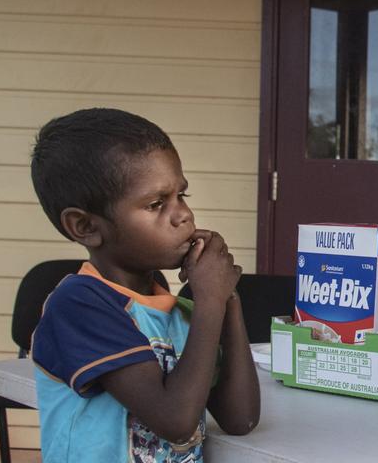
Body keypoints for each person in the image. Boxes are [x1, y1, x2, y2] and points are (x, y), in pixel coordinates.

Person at [29, 108, 260, 461]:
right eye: (156, 204)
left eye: (182, 195)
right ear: (85, 226)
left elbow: (240, 418)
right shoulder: (80, 306)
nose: (182, 214)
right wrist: (210, 304)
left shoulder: (181, 313)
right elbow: (176, 421)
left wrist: (226, 300)